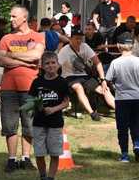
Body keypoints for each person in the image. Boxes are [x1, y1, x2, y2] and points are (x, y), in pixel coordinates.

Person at [0, 6, 45, 173]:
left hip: (30, 87)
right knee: (9, 125)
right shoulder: (6, 38)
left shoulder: (37, 36)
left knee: (29, 124)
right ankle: (11, 159)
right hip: (8, 87)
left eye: (13, 16)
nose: (11, 19)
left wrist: (12, 55)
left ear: (24, 17)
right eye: (10, 16)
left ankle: (25, 157)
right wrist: (24, 61)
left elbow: (36, 56)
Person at [29, 52, 70, 180]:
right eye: (47, 63)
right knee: (39, 152)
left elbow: (66, 103)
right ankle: (42, 177)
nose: (51, 66)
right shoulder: (37, 82)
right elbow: (31, 100)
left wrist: (54, 109)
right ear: (42, 66)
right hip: (39, 123)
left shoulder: (62, 82)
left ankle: (51, 179)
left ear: (58, 64)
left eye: (53, 63)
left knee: (54, 152)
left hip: (55, 123)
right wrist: (36, 106)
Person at [57, 28, 114, 121]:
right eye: (76, 38)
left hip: (84, 76)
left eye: (80, 38)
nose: (79, 40)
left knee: (104, 89)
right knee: (78, 87)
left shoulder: (85, 46)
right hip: (69, 77)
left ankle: (120, 111)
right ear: (71, 39)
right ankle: (92, 113)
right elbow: (57, 66)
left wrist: (103, 80)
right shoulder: (64, 50)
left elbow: (98, 63)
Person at [105, 33, 139, 162]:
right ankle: (137, 144)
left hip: (122, 99)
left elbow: (108, 79)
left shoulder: (115, 63)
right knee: (136, 124)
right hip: (137, 98)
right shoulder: (138, 61)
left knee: (122, 128)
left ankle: (124, 155)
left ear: (118, 46)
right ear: (133, 46)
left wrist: (113, 86)